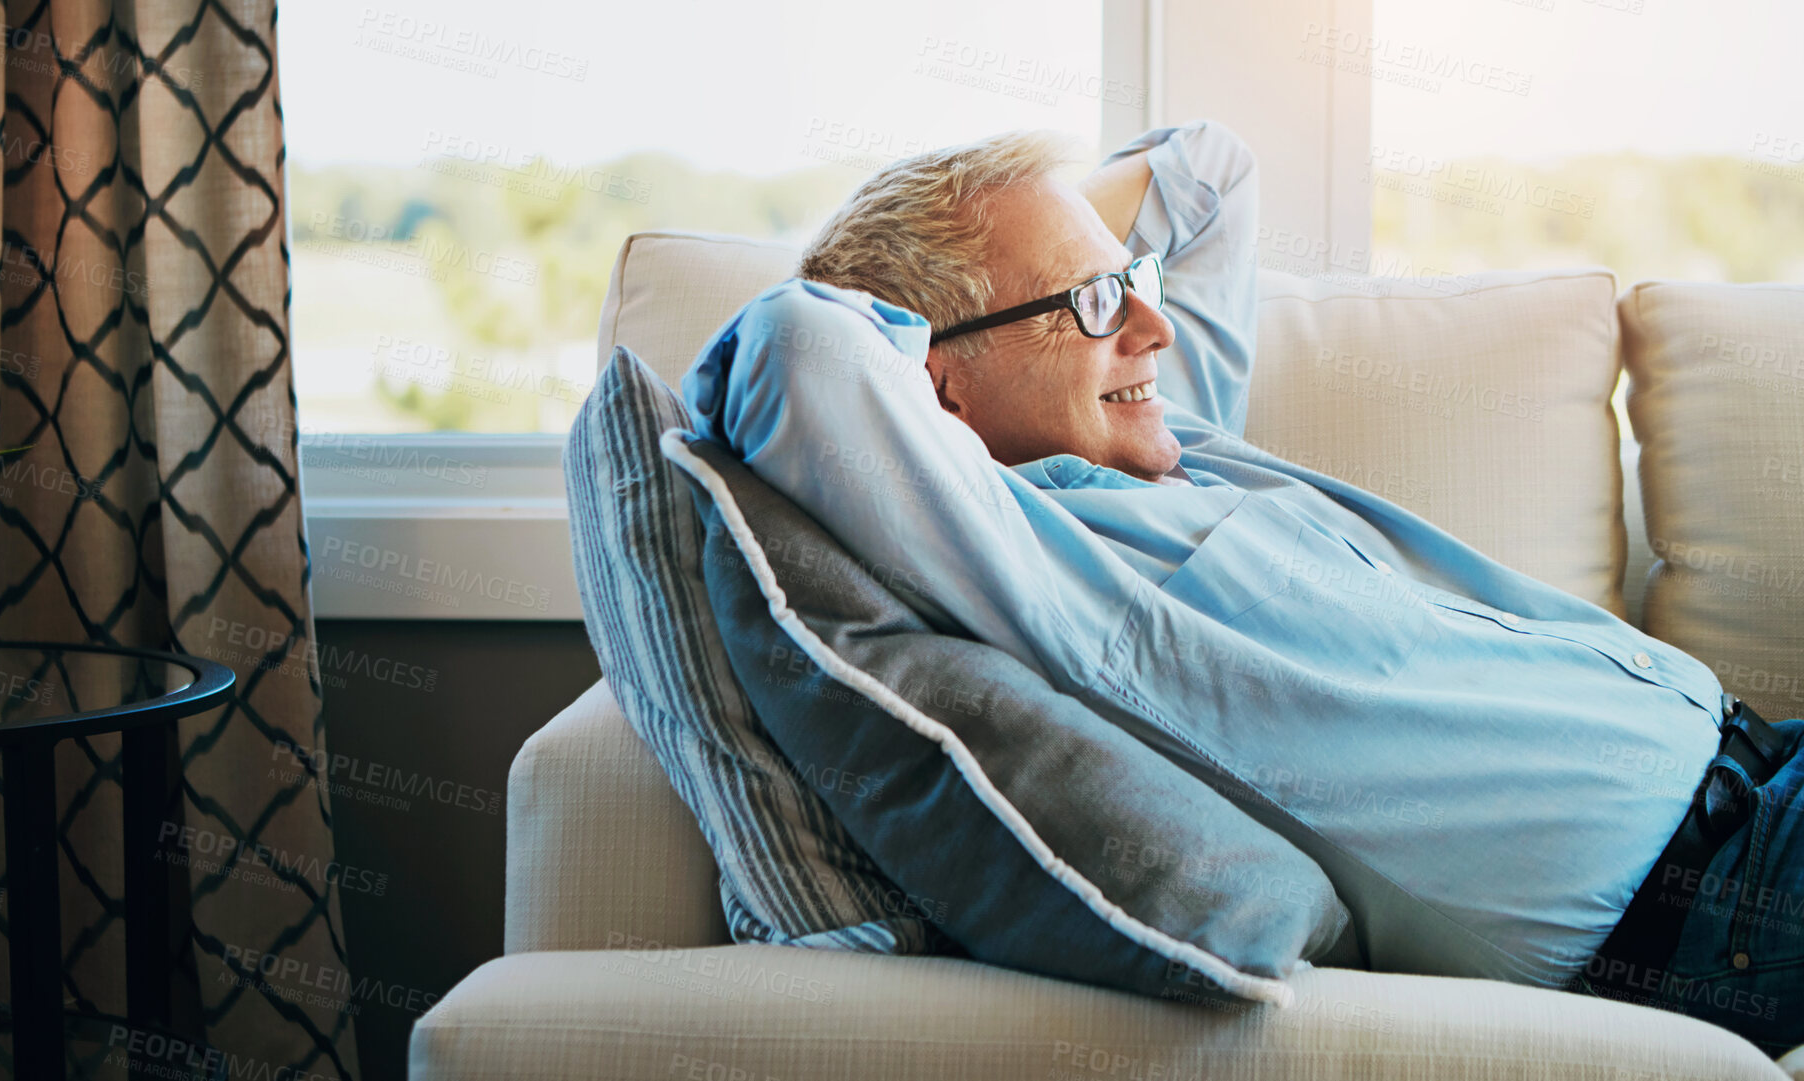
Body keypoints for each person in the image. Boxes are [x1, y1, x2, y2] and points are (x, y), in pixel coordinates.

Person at [679, 121, 1803, 1055]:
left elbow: (1205, 173)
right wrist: (934, 281)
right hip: (1717, 899)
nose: (1153, 328)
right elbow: (790, 344)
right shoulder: (1038, 565)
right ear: (935, 388)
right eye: (1098, 306)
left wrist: (1054, 248)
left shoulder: (1171, 436)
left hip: (1765, 765)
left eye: (1135, 283)